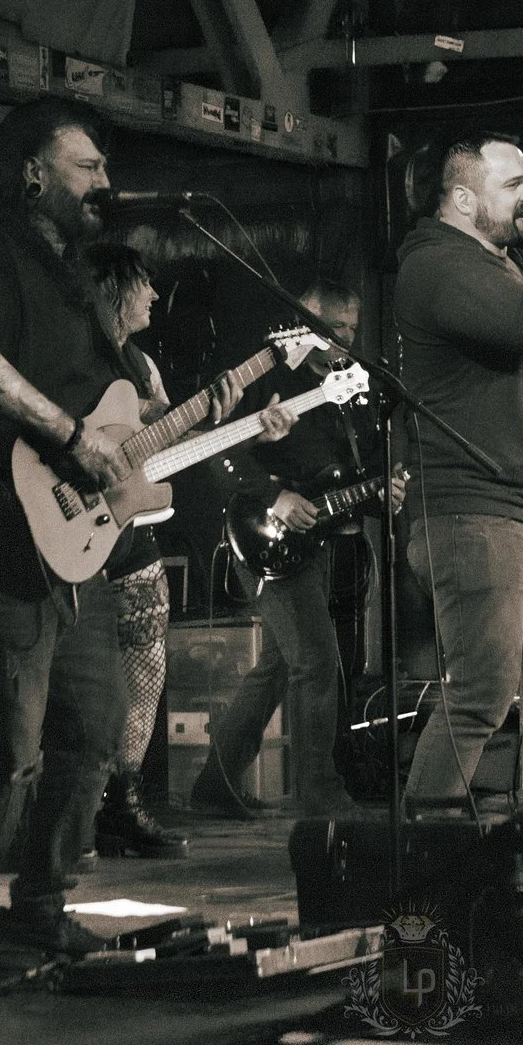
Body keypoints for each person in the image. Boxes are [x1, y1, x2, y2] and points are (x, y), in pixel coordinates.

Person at [0, 98, 266, 983]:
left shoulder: (71, 280)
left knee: (94, 727)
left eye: (104, 168)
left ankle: (41, 909)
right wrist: (69, 434)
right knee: (4, 744)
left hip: (72, 549)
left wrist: (186, 424)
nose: (104, 181)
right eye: (87, 166)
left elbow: (117, 421)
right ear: (33, 173)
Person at [394, 131, 523, 811]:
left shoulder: (496, 263)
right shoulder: (438, 266)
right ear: (462, 199)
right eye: (513, 185)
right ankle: (427, 848)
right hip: (477, 516)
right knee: (482, 691)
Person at [190, 281, 398, 820]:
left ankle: (215, 784)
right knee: (316, 662)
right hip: (264, 536)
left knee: (281, 665)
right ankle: (319, 794)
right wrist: (274, 496)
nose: (345, 338)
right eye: (334, 327)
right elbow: (217, 454)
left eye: (352, 328)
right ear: (304, 325)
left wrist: (383, 493)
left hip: (321, 541)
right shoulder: (270, 376)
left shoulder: (350, 385)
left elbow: (351, 474)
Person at [84, 243, 189, 860]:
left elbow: (162, 452)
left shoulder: (144, 367)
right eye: (143, 283)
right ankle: (62, 811)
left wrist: (231, 422)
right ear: (112, 288)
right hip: (70, 536)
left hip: (130, 533)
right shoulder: (74, 356)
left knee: (145, 670)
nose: (153, 294)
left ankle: (122, 801)